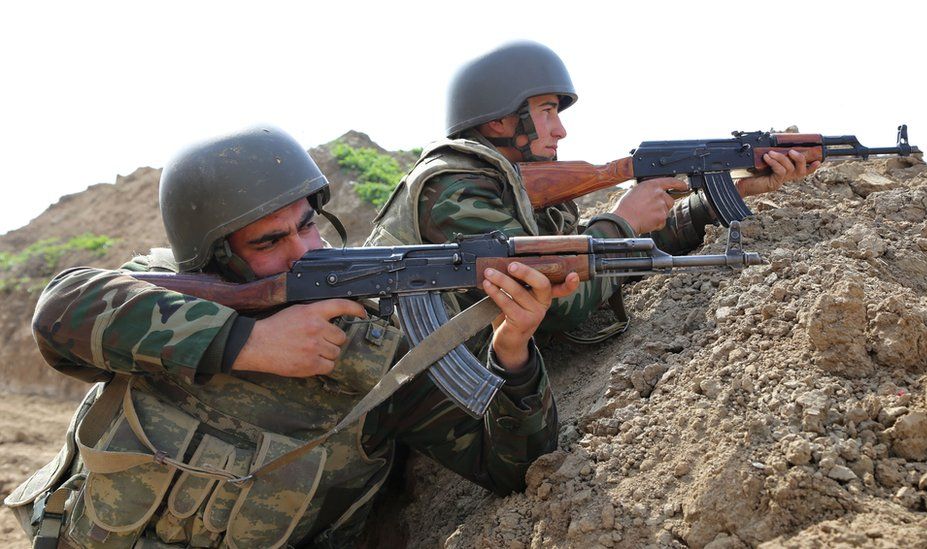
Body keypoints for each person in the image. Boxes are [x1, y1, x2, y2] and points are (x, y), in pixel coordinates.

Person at [4, 126, 577, 548]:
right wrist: (251, 343)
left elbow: (515, 467)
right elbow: (61, 309)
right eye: (267, 242)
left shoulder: (378, 346)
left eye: (306, 225)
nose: (301, 250)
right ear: (213, 257)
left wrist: (513, 350)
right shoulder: (164, 298)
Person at [367, 41, 819, 343]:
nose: (560, 129)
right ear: (498, 120)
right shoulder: (453, 190)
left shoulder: (511, 184)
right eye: (546, 112)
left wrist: (739, 188)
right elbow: (561, 299)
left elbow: (612, 256)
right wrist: (622, 220)